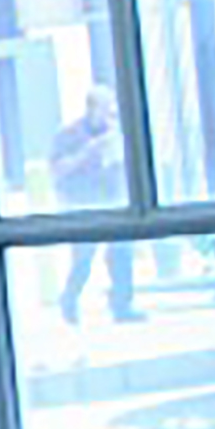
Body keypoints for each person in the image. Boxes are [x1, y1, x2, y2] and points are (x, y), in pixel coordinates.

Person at [52, 85, 140, 325]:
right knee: (83, 258)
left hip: (112, 200)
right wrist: (87, 153)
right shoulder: (68, 135)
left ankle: (122, 305)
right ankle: (69, 301)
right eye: (105, 107)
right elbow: (58, 171)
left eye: (112, 107)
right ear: (91, 108)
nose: (110, 113)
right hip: (82, 203)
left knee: (121, 254)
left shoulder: (115, 133)